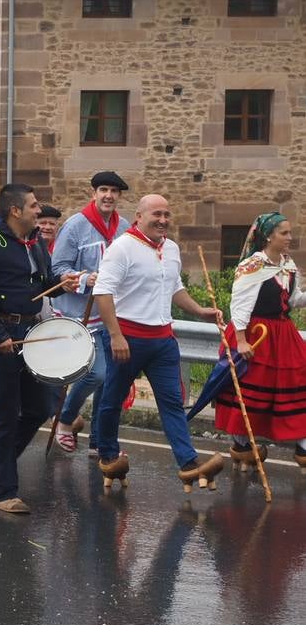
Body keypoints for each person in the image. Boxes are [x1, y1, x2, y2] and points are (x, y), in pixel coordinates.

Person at [92, 194, 224, 490]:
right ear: (139, 216)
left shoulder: (172, 247)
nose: (163, 220)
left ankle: (188, 463)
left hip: (163, 339)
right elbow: (103, 292)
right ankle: (109, 456)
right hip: (127, 336)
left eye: (167, 214)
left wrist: (199, 310)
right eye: (156, 215)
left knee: (172, 403)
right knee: (112, 400)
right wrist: (115, 335)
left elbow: (174, 287)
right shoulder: (122, 247)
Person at [0, 184, 80, 514]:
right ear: (15, 211)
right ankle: (3, 492)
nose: (38, 210)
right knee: (6, 412)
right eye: (32, 205)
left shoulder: (35, 241)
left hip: (30, 332)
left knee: (40, 406)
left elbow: (42, 286)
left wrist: (63, 283)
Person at [216, 213, 306, 472]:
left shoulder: (287, 264)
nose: (290, 238)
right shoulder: (252, 265)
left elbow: (292, 300)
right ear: (269, 236)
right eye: (284, 233)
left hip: (283, 335)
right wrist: (242, 341)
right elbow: (240, 305)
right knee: (250, 392)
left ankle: (303, 447)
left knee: (299, 383)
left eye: (290, 233)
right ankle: (243, 447)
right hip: (256, 334)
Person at [50, 171, 130, 454]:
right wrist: (85, 279)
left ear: (119, 197)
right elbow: (57, 270)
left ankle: (100, 442)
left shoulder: (125, 229)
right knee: (96, 375)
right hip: (79, 315)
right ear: (93, 193)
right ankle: (66, 418)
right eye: (103, 190)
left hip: (113, 316)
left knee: (111, 381)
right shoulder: (75, 227)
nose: (108, 195)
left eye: (114, 191)